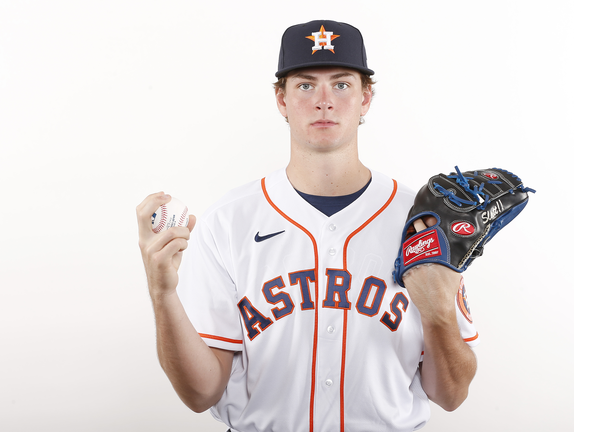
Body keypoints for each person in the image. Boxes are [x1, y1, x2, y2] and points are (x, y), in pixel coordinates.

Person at [136, 20, 478, 432]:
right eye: (304, 85)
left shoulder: (422, 223)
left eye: (341, 84)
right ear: (280, 98)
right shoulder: (228, 222)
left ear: (366, 96)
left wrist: (439, 313)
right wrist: (162, 294)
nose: (324, 101)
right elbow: (200, 394)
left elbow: (452, 395)